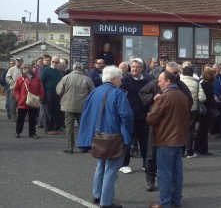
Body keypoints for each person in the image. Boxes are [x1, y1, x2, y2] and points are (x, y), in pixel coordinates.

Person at [77, 66, 134, 208]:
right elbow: (127, 116)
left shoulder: (95, 91)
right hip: (114, 136)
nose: (121, 81)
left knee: (100, 166)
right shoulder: (118, 93)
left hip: (98, 136)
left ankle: (97, 195)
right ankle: (106, 202)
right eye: (120, 78)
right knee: (111, 170)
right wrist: (130, 131)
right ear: (114, 79)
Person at [139, 62, 192, 192]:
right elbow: (142, 93)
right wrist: (152, 98)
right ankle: (150, 178)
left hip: (174, 126)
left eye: (175, 73)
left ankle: (170, 193)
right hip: (157, 124)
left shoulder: (181, 86)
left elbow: (189, 102)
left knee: (174, 161)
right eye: (169, 72)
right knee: (152, 154)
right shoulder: (158, 82)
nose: (173, 75)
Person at [119, 58, 154, 173]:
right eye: (133, 67)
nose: (134, 69)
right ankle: (124, 164)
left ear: (142, 68)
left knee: (144, 142)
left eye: (137, 67)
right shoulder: (125, 80)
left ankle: (146, 164)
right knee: (127, 141)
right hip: (129, 116)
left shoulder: (148, 79)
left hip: (144, 116)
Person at [56, 62, 95, 153]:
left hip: (68, 106)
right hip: (83, 106)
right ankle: (83, 146)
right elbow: (93, 92)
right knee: (83, 126)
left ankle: (70, 147)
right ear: (81, 68)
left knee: (69, 127)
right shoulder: (87, 79)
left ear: (73, 68)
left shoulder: (66, 78)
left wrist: (64, 96)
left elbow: (58, 91)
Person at [13, 62, 44, 139]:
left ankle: (32, 133)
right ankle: (18, 132)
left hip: (33, 102)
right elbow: (16, 90)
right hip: (23, 102)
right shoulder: (20, 79)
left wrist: (40, 97)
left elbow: (41, 89)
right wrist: (18, 98)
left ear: (30, 69)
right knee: (20, 118)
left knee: (33, 119)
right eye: (22, 68)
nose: (24, 69)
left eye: (25, 68)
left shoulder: (37, 79)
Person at [181, 65, 205, 158]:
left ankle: (181, 151)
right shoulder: (197, 83)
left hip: (180, 109)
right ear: (192, 74)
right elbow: (202, 98)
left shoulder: (180, 82)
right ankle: (190, 152)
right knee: (190, 130)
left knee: (181, 129)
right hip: (192, 109)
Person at [40, 56, 64, 135]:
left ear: (58, 63)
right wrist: (42, 95)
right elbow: (41, 83)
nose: (54, 63)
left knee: (55, 111)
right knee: (47, 111)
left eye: (56, 62)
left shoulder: (59, 72)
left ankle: (52, 127)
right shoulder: (46, 71)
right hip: (48, 92)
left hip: (57, 92)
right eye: (53, 62)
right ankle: (47, 128)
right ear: (51, 62)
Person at [195, 67, 215, 155]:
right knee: (204, 130)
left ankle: (197, 147)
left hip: (201, 109)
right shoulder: (208, 86)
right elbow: (208, 100)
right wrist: (214, 101)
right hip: (206, 110)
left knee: (200, 129)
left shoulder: (201, 83)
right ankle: (203, 149)